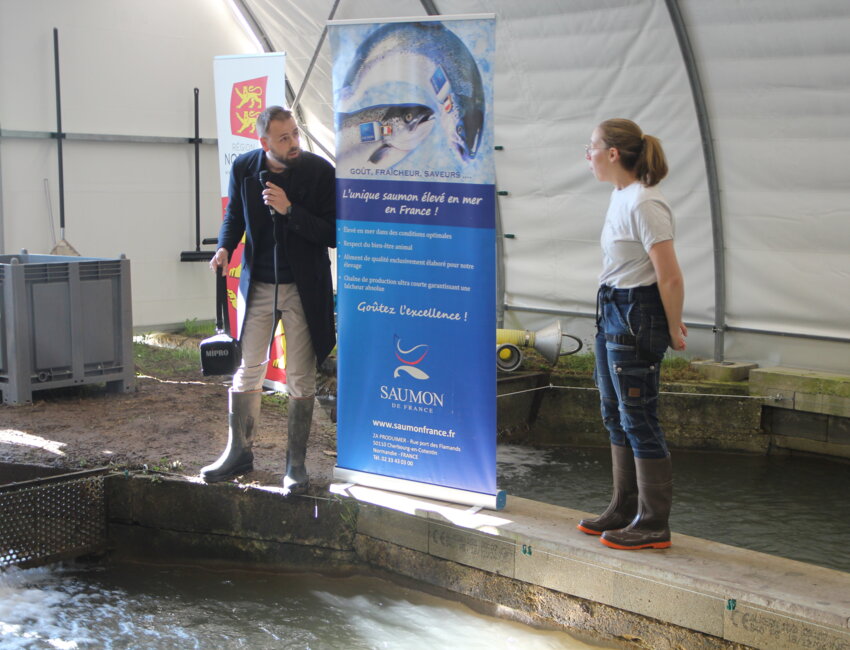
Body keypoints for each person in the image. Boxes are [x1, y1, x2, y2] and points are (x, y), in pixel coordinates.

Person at [202, 106, 336, 496]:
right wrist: (225, 247)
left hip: (302, 287)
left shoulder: (319, 172)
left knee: (300, 375)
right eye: (284, 138)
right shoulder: (245, 167)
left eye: (295, 134)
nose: (293, 143)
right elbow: (235, 217)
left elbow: (333, 233)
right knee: (248, 368)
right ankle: (238, 453)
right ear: (263, 142)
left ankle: (295, 464)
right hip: (258, 284)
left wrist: (290, 210)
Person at [576, 118, 687, 550]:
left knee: (639, 417)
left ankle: (654, 522)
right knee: (613, 412)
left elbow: (670, 277)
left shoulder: (645, 203)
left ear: (613, 153)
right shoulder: (620, 195)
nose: (587, 155)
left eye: (592, 147)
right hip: (612, 307)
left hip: (637, 311)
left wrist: (674, 328)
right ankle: (624, 508)